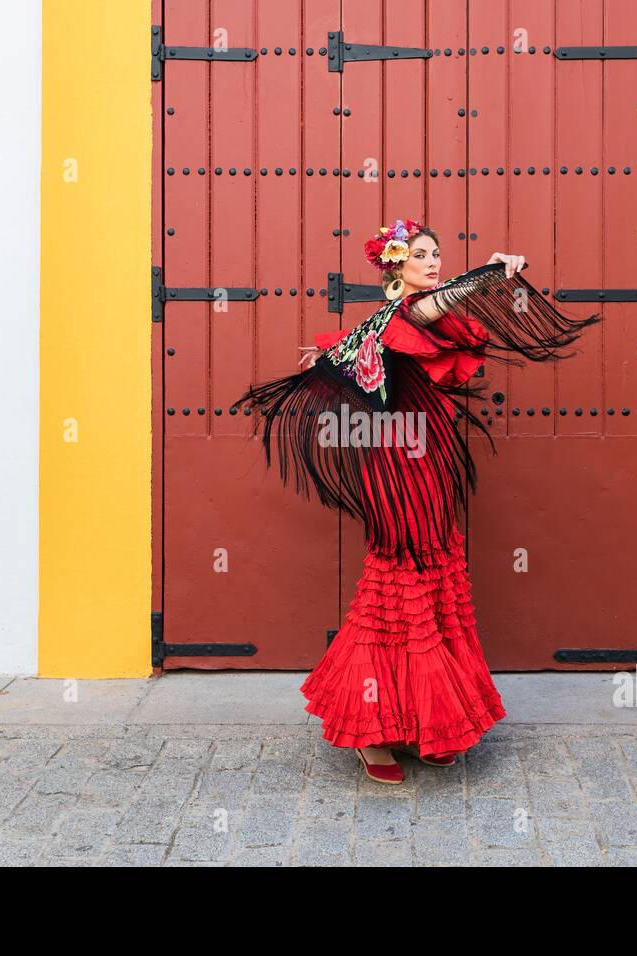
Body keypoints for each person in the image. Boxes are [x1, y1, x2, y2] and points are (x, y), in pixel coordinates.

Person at [235, 218, 601, 784]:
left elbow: (360, 348)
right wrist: (490, 274)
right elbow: (420, 315)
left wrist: (326, 356)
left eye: (437, 254)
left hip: (426, 464)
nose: (433, 262)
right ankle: (372, 732)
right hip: (396, 468)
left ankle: (421, 723)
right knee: (395, 589)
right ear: (397, 265)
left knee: (432, 585)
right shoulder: (406, 312)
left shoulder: (391, 319)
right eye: (422, 254)